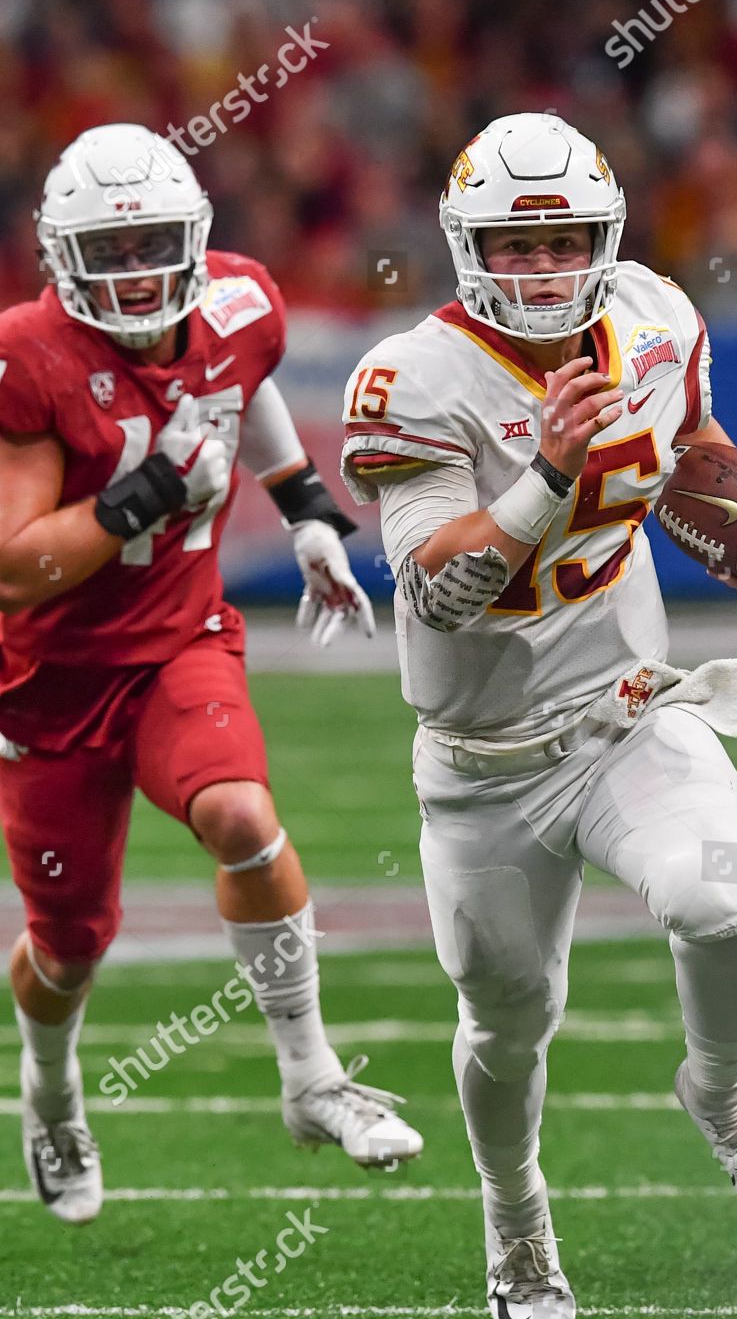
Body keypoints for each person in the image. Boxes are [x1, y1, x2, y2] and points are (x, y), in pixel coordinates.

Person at [339, 113, 737, 1319]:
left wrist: (736, 508)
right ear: (466, 246)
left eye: (566, 242)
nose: (542, 268)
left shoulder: (656, 316)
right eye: (514, 242)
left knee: (722, 901)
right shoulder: (414, 378)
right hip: (482, 765)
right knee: (508, 1022)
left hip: (623, 711)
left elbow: (689, 449)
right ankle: (515, 1219)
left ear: (605, 241)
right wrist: (545, 477)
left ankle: (721, 1096)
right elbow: (438, 585)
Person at [0, 123, 422, 1226]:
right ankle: (48, 1090)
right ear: (60, 255)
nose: (137, 268)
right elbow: (13, 570)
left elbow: (245, 386)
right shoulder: (30, 358)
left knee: (240, 814)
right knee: (70, 942)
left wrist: (310, 511)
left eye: (154, 241)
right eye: (112, 245)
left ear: (195, 239)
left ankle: (312, 1077)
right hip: (49, 682)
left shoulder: (238, 303)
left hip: (182, 639)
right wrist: (141, 495)